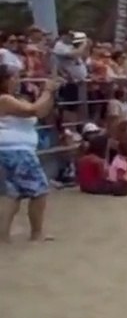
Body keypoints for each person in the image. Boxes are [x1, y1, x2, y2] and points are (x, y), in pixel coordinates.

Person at [0, 70, 59, 241]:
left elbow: (40, 112)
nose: (17, 80)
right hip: (17, 151)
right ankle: (36, 233)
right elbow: (33, 110)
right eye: (13, 77)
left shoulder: (13, 99)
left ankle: (3, 235)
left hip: (13, 151)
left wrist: (50, 93)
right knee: (39, 191)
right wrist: (47, 91)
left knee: (14, 194)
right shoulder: (4, 99)